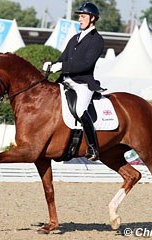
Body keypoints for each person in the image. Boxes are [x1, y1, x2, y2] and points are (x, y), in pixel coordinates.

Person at [42, 2, 104, 161]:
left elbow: (86, 64)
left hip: (83, 83)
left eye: (83, 16)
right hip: (65, 81)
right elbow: (63, 59)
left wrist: (62, 66)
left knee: (80, 109)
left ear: (92, 19)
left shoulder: (97, 40)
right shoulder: (75, 38)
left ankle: (93, 147)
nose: (80, 19)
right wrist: (53, 64)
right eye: (79, 16)